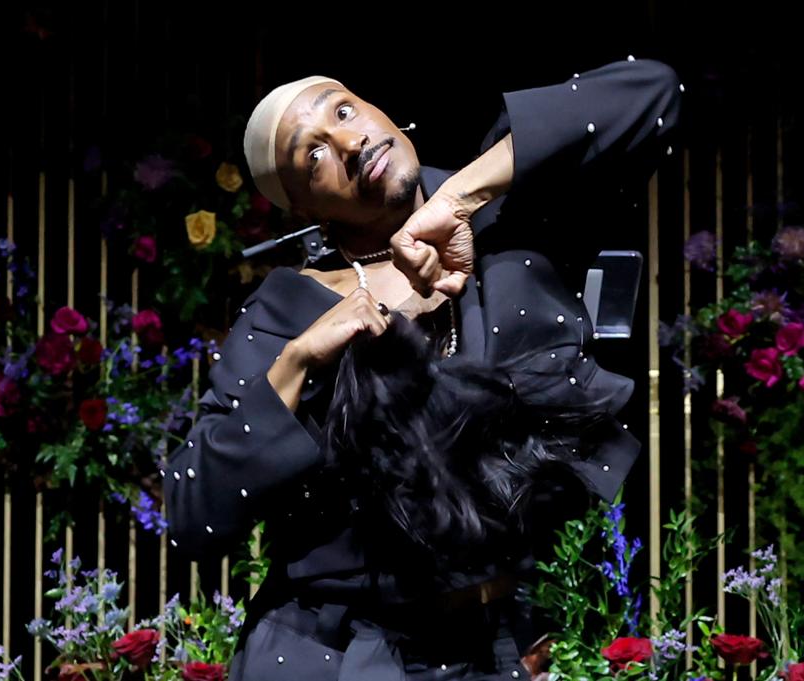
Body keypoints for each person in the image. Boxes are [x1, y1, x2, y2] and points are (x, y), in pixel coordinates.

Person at [163, 57, 682, 679]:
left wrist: (460, 197)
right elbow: (192, 514)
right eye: (313, 156)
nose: (349, 141)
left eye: (345, 110)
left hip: (492, 646)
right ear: (304, 208)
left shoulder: (503, 218)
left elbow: (654, 89)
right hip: (335, 653)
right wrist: (298, 361)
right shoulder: (285, 314)